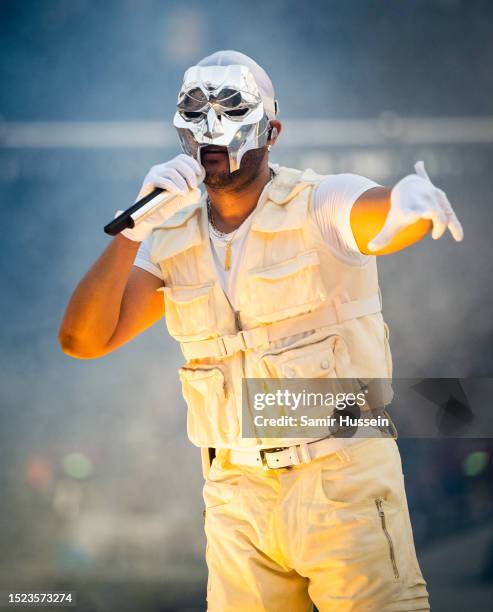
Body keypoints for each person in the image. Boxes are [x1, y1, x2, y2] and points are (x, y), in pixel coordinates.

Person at [58, 50, 463, 611]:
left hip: (339, 480)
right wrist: (134, 230)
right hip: (236, 497)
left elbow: (375, 216)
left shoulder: (317, 201)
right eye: (195, 109)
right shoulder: (171, 236)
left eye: (230, 108)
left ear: (271, 130)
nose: (211, 126)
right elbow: (83, 340)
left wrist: (407, 207)